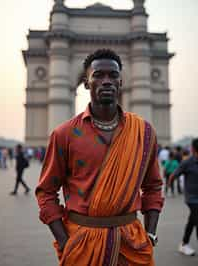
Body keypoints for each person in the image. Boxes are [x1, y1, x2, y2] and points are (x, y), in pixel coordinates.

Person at [35, 49, 164, 265]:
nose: (106, 81)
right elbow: (46, 192)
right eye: (98, 75)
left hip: (132, 244)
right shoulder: (64, 134)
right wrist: (66, 243)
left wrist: (150, 234)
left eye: (113, 76)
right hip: (82, 245)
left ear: (121, 82)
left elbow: (153, 187)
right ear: (86, 82)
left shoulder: (144, 132)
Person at [169, 138, 198, 256]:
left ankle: (184, 244)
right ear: (193, 150)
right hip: (192, 199)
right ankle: (184, 244)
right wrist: (169, 189)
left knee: (192, 220)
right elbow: (173, 176)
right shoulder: (187, 162)